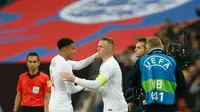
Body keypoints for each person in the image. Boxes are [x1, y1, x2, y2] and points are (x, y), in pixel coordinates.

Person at [62, 37, 128, 112]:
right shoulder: (105, 64)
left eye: (101, 47)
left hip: (115, 108)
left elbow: (96, 84)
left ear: (109, 49)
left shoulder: (110, 65)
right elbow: (101, 87)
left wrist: (74, 79)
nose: (97, 49)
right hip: (113, 107)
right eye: (98, 46)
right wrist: (82, 86)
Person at [128, 36, 187, 112]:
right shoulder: (172, 61)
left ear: (147, 49)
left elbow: (131, 80)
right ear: (162, 47)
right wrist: (174, 96)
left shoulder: (142, 61)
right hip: (169, 106)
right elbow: (183, 86)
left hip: (150, 105)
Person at [49, 38, 97, 112]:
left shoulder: (55, 59)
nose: (75, 52)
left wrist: (95, 55)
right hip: (63, 107)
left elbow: (79, 65)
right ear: (66, 49)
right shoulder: (65, 65)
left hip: (53, 105)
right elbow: (72, 90)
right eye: (73, 48)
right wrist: (84, 83)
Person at [127, 38, 147, 112]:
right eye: (136, 47)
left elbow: (131, 78)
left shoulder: (141, 63)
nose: (135, 50)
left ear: (146, 50)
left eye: (139, 47)